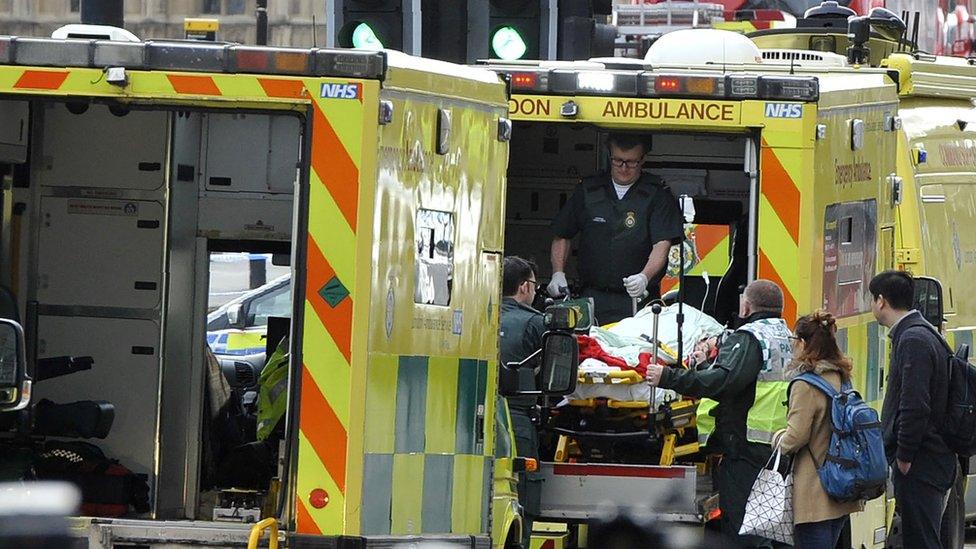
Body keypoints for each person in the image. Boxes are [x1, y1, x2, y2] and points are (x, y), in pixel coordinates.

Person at [645, 280, 793, 546]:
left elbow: (724, 382)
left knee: (742, 531)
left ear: (746, 306)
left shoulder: (750, 337)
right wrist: (706, 367)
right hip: (776, 447)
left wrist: (668, 376)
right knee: (767, 528)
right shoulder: (786, 336)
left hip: (746, 450)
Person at [548, 133, 683, 324]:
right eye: (618, 161)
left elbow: (662, 244)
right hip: (593, 295)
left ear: (643, 159)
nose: (624, 168)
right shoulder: (589, 189)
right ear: (609, 157)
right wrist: (557, 273)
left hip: (637, 297)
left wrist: (644, 277)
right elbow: (562, 233)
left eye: (631, 162)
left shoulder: (657, 194)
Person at [870, 270, 954, 549]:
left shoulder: (913, 340)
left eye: (873, 299)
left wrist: (904, 455)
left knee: (921, 541)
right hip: (931, 458)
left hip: (921, 462)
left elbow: (914, 405)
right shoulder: (921, 333)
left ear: (881, 301)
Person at [772, 310, 863, 549]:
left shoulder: (805, 384)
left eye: (794, 341)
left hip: (814, 491)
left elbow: (796, 437)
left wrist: (778, 438)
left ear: (802, 343)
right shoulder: (841, 377)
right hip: (840, 483)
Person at [499, 256, 546, 548]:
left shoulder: (478, 313)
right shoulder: (534, 322)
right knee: (522, 496)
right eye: (534, 285)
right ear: (523, 287)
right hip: (515, 418)